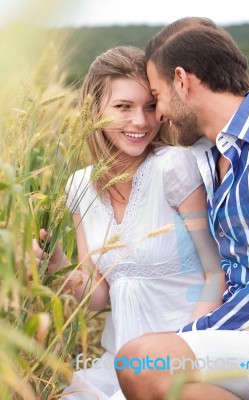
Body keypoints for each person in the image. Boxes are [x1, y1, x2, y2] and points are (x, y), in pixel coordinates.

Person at [33, 45, 225, 400]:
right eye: (123, 107)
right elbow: (97, 293)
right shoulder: (79, 185)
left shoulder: (173, 167)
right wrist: (58, 265)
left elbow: (216, 273)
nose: (141, 121)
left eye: (150, 106)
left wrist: (182, 347)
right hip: (117, 362)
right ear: (95, 110)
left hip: (180, 358)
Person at [114, 17, 249, 400]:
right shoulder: (205, 159)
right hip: (245, 344)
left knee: (141, 362)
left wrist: (193, 337)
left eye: (157, 97)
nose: (158, 115)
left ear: (182, 80)